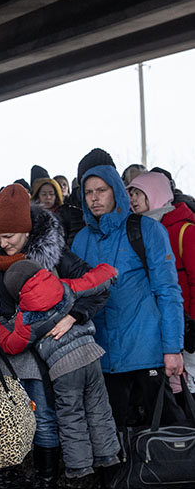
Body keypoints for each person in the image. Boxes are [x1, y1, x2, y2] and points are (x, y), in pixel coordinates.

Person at [0, 183, 105, 488]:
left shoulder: (55, 255)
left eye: (9, 236)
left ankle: (46, 478)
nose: (3, 244)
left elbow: (98, 286)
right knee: (3, 414)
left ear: (27, 230)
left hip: (52, 352)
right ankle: (8, 475)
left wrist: (73, 316)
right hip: (5, 348)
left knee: (46, 414)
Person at [72, 164, 185, 429]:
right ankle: (122, 472)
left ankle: (180, 470)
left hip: (147, 351)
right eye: (88, 192)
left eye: (102, 190)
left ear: (117, 192)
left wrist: (172, 348)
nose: (94, 197)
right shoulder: (81, 240)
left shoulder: (147, 230)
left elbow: (168, 292)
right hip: (102, 354)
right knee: (112, 432)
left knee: (168, 426)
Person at [0, 260, 121, 480]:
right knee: (99, 408)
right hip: (91, 355)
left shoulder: (27, 319)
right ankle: (108, 458)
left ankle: (79, 469)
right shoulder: (65, 286)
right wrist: (109, 270)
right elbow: (101, 278)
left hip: (63, 368)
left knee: (71, 416)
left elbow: (11, 345)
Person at [127, 172, 195, 396]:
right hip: (160, 327)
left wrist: (190, 325)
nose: (133, 200)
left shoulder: (185, 230)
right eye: (131, 194)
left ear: (155, 194)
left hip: (186, 328)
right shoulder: (138, 231)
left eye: (139, 193)